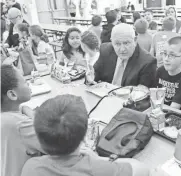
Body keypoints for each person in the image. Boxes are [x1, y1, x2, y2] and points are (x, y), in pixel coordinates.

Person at [21, 94, 150, 176]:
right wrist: (99, 159)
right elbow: (142, 169)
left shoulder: (31, 167)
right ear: (84, 136)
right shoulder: (98, 168)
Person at [1, 65, 43, 176]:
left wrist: (25, 109)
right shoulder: (21, 124)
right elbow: (59, 146)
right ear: (12, 94)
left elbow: (21, 109)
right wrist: (34, 117)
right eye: (24, 81)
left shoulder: (5, 116)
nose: (28, 83)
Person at [87, 23, 157, 87]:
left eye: (126, 43)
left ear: (135, 40)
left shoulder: (147, 62)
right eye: (117, 44)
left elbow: (143, 94)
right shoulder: (105, 50)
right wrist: (90, 78)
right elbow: (94, 74)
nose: (122, 49)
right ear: (112, 41)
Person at [156, 36, 181, 113]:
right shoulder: (160, 71)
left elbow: (173, 109)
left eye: (172, 55)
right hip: (160, 111)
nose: (166, 59)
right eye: (164, 53)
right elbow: (154, 96)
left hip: (179, 117)